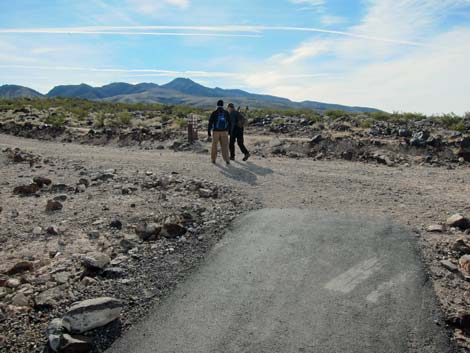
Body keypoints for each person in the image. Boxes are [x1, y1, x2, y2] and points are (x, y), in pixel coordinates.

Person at [208, 100, 231, 165]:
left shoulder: (214, 112)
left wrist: (209, 131)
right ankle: (227, 160)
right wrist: (229, 131)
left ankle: (213, 159)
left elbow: (210, 123)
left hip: (216, 132)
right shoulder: (226, 112)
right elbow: (230, 122)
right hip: (224, 132)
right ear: (223, 105)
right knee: (225, 146)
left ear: (217, 105)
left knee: (214, 146)